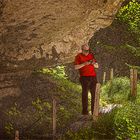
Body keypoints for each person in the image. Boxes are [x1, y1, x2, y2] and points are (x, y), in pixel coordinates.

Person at [74, 44, 99, 115]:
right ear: (82, 49)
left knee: (94, 94)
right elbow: (75, 67)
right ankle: (85, 112)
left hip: (93, 77)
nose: (87, 52)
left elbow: (97, 66)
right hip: (84, 77)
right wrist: (84, 64)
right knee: (85, 94)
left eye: (88, 50)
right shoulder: (78, 56)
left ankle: (94, 111)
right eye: (85, 50)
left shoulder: (92, 55)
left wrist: (93, 63)